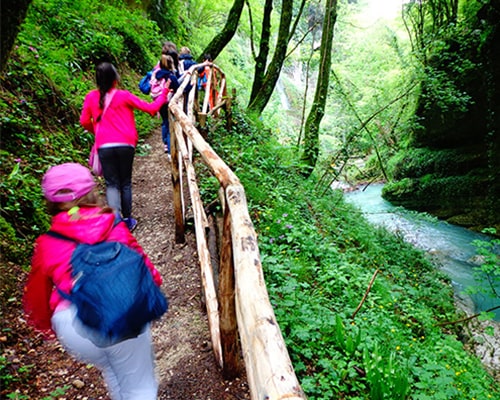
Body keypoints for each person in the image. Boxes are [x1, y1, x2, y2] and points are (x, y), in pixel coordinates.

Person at [23, 162, 163, 400]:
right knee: (139, 385)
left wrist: (47, 327)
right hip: (120, 314)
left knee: (111, 367)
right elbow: (143, 264)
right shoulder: (112, 223)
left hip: (73, 325)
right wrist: (152, 289)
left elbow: (37, 296)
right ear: (91, 191)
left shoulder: (47, 242)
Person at [80, 62, 168, 231]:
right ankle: (128, 220)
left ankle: (116, 221)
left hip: (104, 145)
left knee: (111, 184)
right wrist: (164, 93)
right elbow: (151, 109)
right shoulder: (124, 96)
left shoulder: (91, 97)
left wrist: (98, 132)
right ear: (115, 80)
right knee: (125, 182)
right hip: (126, 144)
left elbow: (84, 121)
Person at [155, 54, 180, 157]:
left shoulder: (157, 75)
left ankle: (165, 143)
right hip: (168, 102)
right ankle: (171, 151)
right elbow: (178, 88)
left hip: (159, 101)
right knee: (170, 125)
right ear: (171, 64)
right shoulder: (171, 77)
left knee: (164, 122)